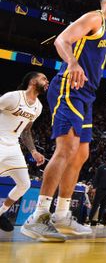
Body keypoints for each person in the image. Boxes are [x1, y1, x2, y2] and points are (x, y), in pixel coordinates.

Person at [22, 0, 106, 242]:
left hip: (87, 95)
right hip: (69, 87)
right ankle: (38, 216)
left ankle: (61, 214)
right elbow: (62, 40)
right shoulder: (95, 17)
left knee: (81, 154)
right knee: (66, 149)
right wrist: (72, 62)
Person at [0, 72, 47, 233]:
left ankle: (1, 212)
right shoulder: (13, 97)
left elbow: (26, 131)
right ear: (33, 81)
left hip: (13, 146)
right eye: (44, 78)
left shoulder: (38, 107)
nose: (47, 82)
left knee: (24, 184)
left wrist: (33, 151)